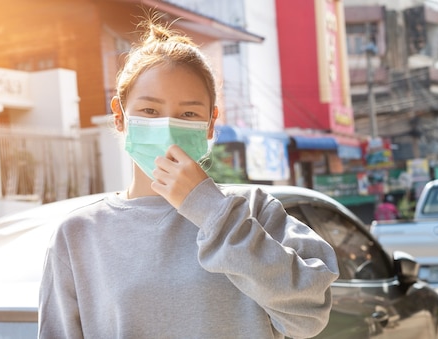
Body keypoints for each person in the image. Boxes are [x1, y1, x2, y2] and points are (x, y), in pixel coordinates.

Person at [38, 16, 339, 339]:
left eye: (188, 114)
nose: (168, 127)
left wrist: (209, 209)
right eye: (150, 111)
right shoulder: (78, 235)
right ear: (119, 116)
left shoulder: (255, 210)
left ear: (210, 124)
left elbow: (309, 315)